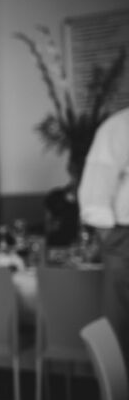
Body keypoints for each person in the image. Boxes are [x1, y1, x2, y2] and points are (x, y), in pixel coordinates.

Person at [78, 106, 129, 363]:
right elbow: (94, 197)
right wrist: (116, 242)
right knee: (120, 340)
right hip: (125, 240)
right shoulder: (120, 127)